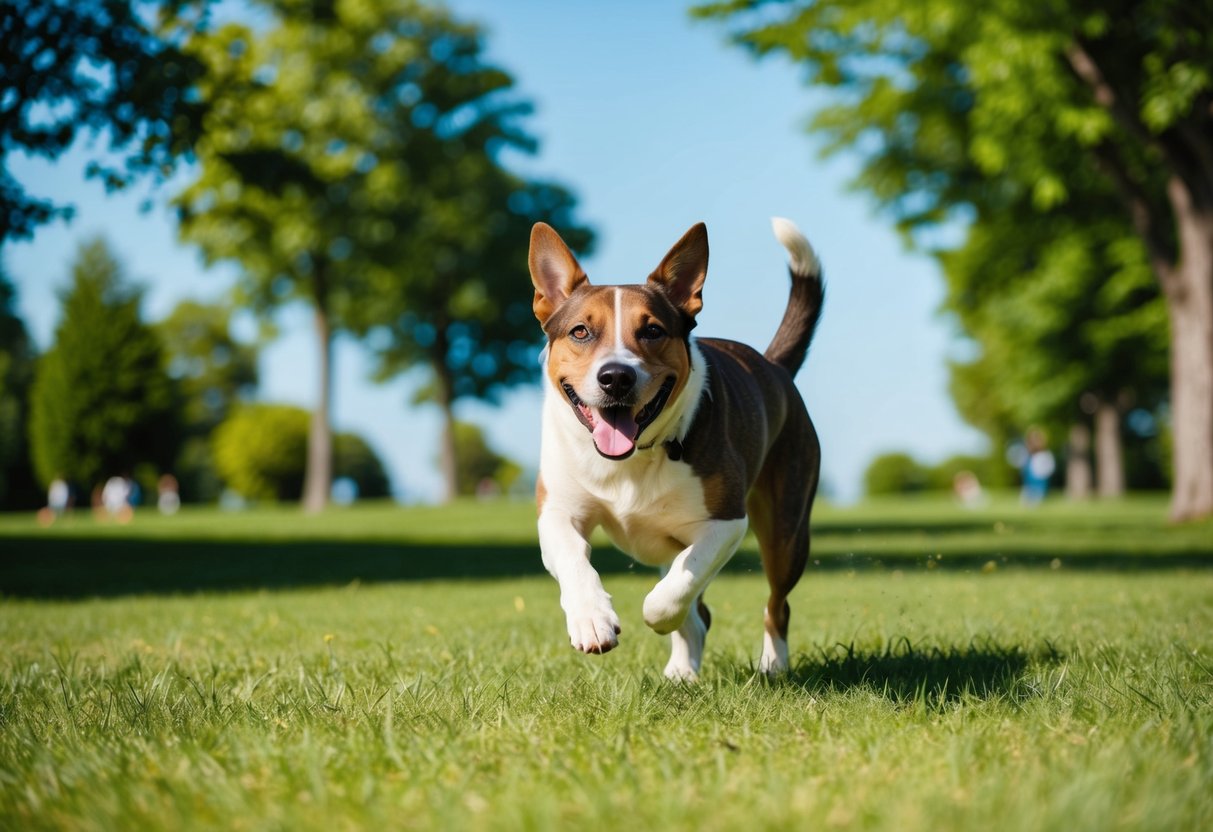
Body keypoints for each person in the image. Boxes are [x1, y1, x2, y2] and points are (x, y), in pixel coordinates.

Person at [1008, 427, 1055, 506]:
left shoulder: (1044, 455)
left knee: (1034, 500)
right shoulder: (1027, 455)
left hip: (1040, 485)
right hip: (1029, 486)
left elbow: (1049, 469)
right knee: (1026, 501)